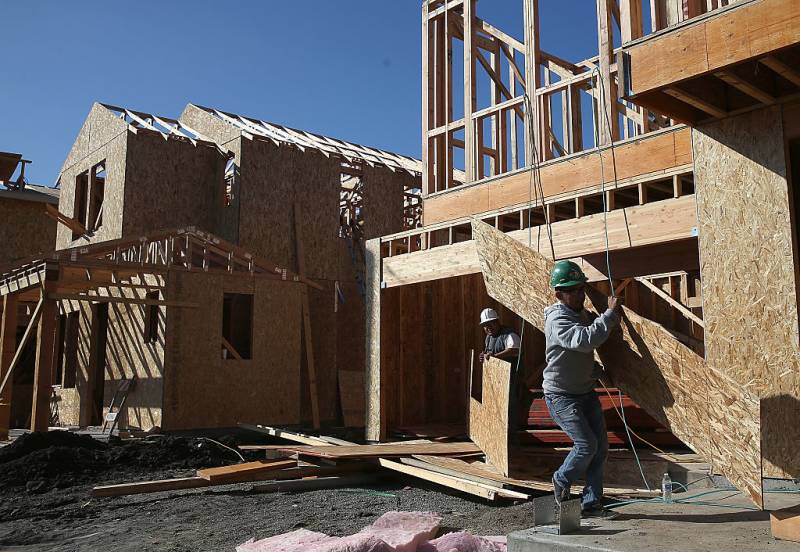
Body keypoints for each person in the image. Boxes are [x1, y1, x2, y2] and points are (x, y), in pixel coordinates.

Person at [543, 260, 622, 518]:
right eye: (572, 290)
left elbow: (582, 357)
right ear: (559, 294)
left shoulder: (582, 313)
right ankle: (561, 480)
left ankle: (591, 502)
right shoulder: (558, 320)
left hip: (584, 392)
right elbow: (584, 341)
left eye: (581, 288)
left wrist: (599, 373)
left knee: (600, 447)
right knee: (586, 444)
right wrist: (609, 316)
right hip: (562, 396)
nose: (579, 294)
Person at [478, 308, 524, 437]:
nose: (488, 328)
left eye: (490, 324)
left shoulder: (509, 335)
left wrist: (495, 356)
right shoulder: (488, 338)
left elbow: (514, 350)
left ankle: (512, 436)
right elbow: (489, 353)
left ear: (497, 322)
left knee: (510, 408)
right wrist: (484, 356)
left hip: (511, 379)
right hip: (496, 380)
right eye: (485, 326)